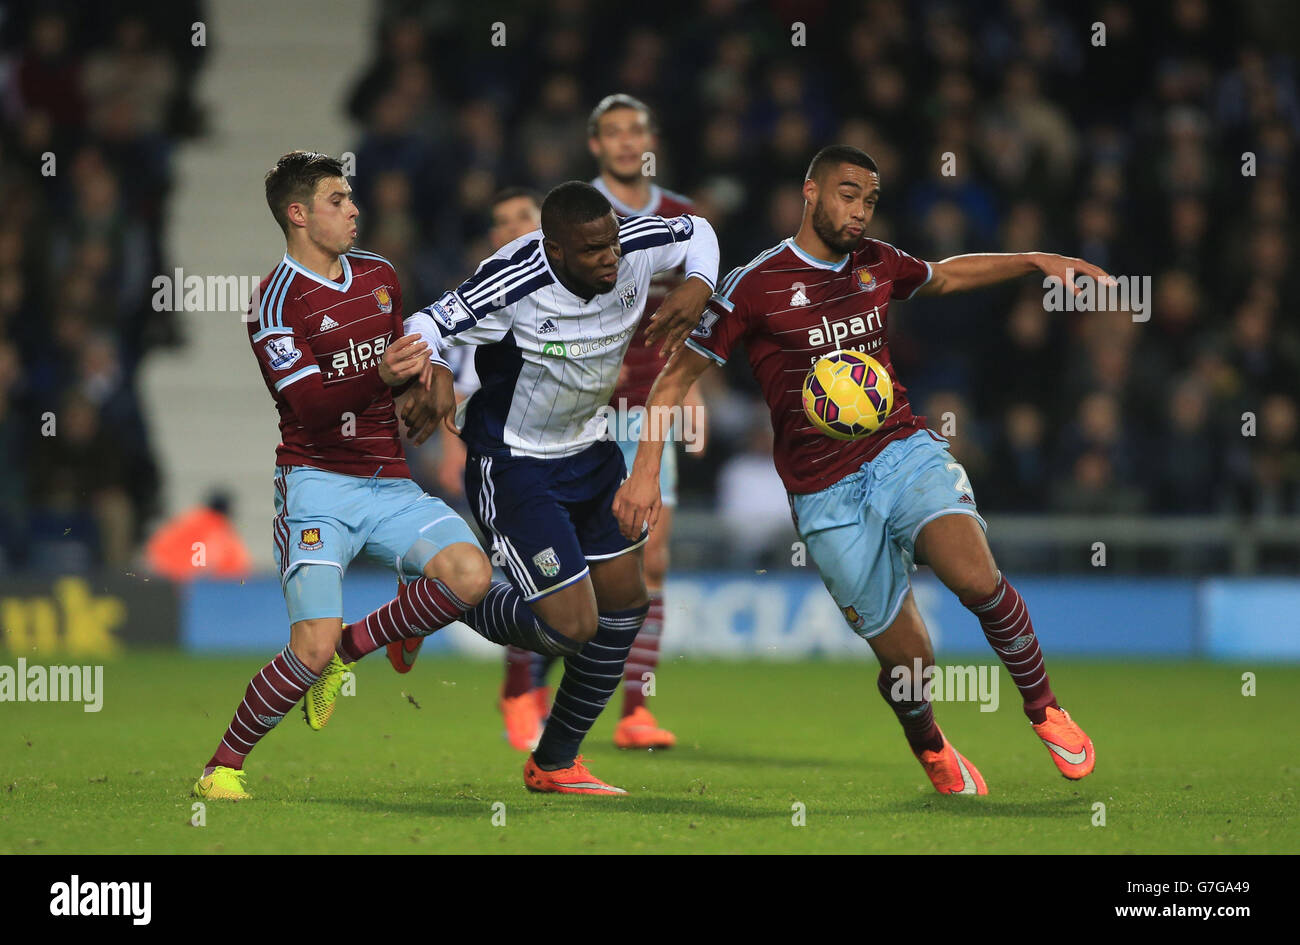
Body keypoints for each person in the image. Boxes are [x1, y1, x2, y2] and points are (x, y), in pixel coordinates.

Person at [615, 145, 1102, 795]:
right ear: (810, 192)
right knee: (912, 663)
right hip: (825, 494)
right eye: (848, 194)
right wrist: (645, 473)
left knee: (973, 574)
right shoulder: (753, 286)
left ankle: (1044, 707)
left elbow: (948, 274)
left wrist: (1033, 259)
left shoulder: (878, 263)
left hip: (901, 451)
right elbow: (674, 379)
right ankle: (929, 743)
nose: (860, 211)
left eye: (870, 200)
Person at [328, 180, 719, 794]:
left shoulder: (634, 245)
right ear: (555, 250)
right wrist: (424, 374)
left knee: (626, 609)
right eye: (593, 252)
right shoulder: (512, 279)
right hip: (515, 466)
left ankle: (555, 762)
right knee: (571, 626)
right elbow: (423, 326)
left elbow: (700, 232)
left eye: (612, 245)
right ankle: (440, 597)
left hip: (590, 453)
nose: (610, 261)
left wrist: (698, 283)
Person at [191, 151, 493, 801]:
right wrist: (381, 375)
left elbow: (407, 361)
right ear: (298, 215)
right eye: (337, 199)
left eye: (351, 196)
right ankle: (222, 767)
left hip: (387, 478)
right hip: (317, 484)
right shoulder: (273, 302)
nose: (354, 208)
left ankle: (357, 648)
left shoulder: (381, 275)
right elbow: (312, 407)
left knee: (472, 573)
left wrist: (426, 386)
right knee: (309, 649)